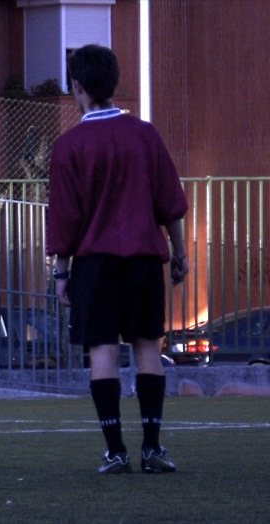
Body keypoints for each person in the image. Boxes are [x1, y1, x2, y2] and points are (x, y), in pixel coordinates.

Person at [47, 44, 187, 475]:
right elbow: (170, 203)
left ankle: (115, 452)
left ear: (78, 87)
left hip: (96, 263)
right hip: (145, 259)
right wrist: (179, 253)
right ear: (114, 83)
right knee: (148, 347)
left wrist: (62, 270)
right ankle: (152, 448)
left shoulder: (69, 145)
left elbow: (65, 217)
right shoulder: (145, 135)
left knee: (102, 350)